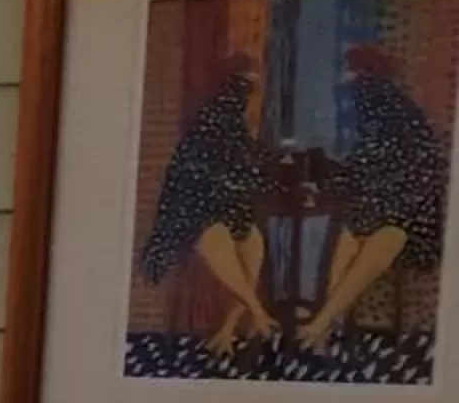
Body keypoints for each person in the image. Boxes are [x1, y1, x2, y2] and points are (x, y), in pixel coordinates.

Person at [300, 44, 447, 353]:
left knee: (377, 236)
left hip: (410, 220)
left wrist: (326, 177)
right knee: (348, 236)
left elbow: (369, 166)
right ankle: (322, 331)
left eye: (351, 71)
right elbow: (366, 166)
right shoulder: (388, 112)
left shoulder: (382, 108)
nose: (348, 79)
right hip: (384, 209)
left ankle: (321, 323)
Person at [138, 61, 275, 357]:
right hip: (194, 216)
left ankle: (227, 330)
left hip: (232, 213)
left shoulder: (243, 139)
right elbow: (193, 186)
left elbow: (254, 175)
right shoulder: (204, 133)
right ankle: (259, 313)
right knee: (217, 239)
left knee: (253, 243)